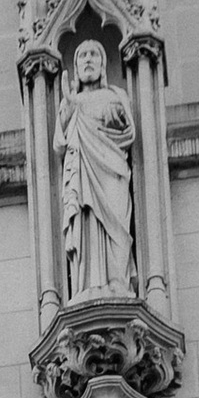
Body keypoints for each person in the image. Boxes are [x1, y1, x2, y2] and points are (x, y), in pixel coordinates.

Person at [57, 38, 137, 305]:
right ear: (76, 67)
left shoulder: (115, 96)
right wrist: (68, 108)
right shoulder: (71, 101)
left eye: (94, 55)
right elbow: (60, 142)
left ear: (103, 64)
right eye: (82, 56)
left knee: (116, 225)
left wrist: (118, 118)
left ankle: (118, 281)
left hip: (112, 171)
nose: (88, 60)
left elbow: (128, 132)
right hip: (83, 177)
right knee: (86, 223)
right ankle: (86, 285)